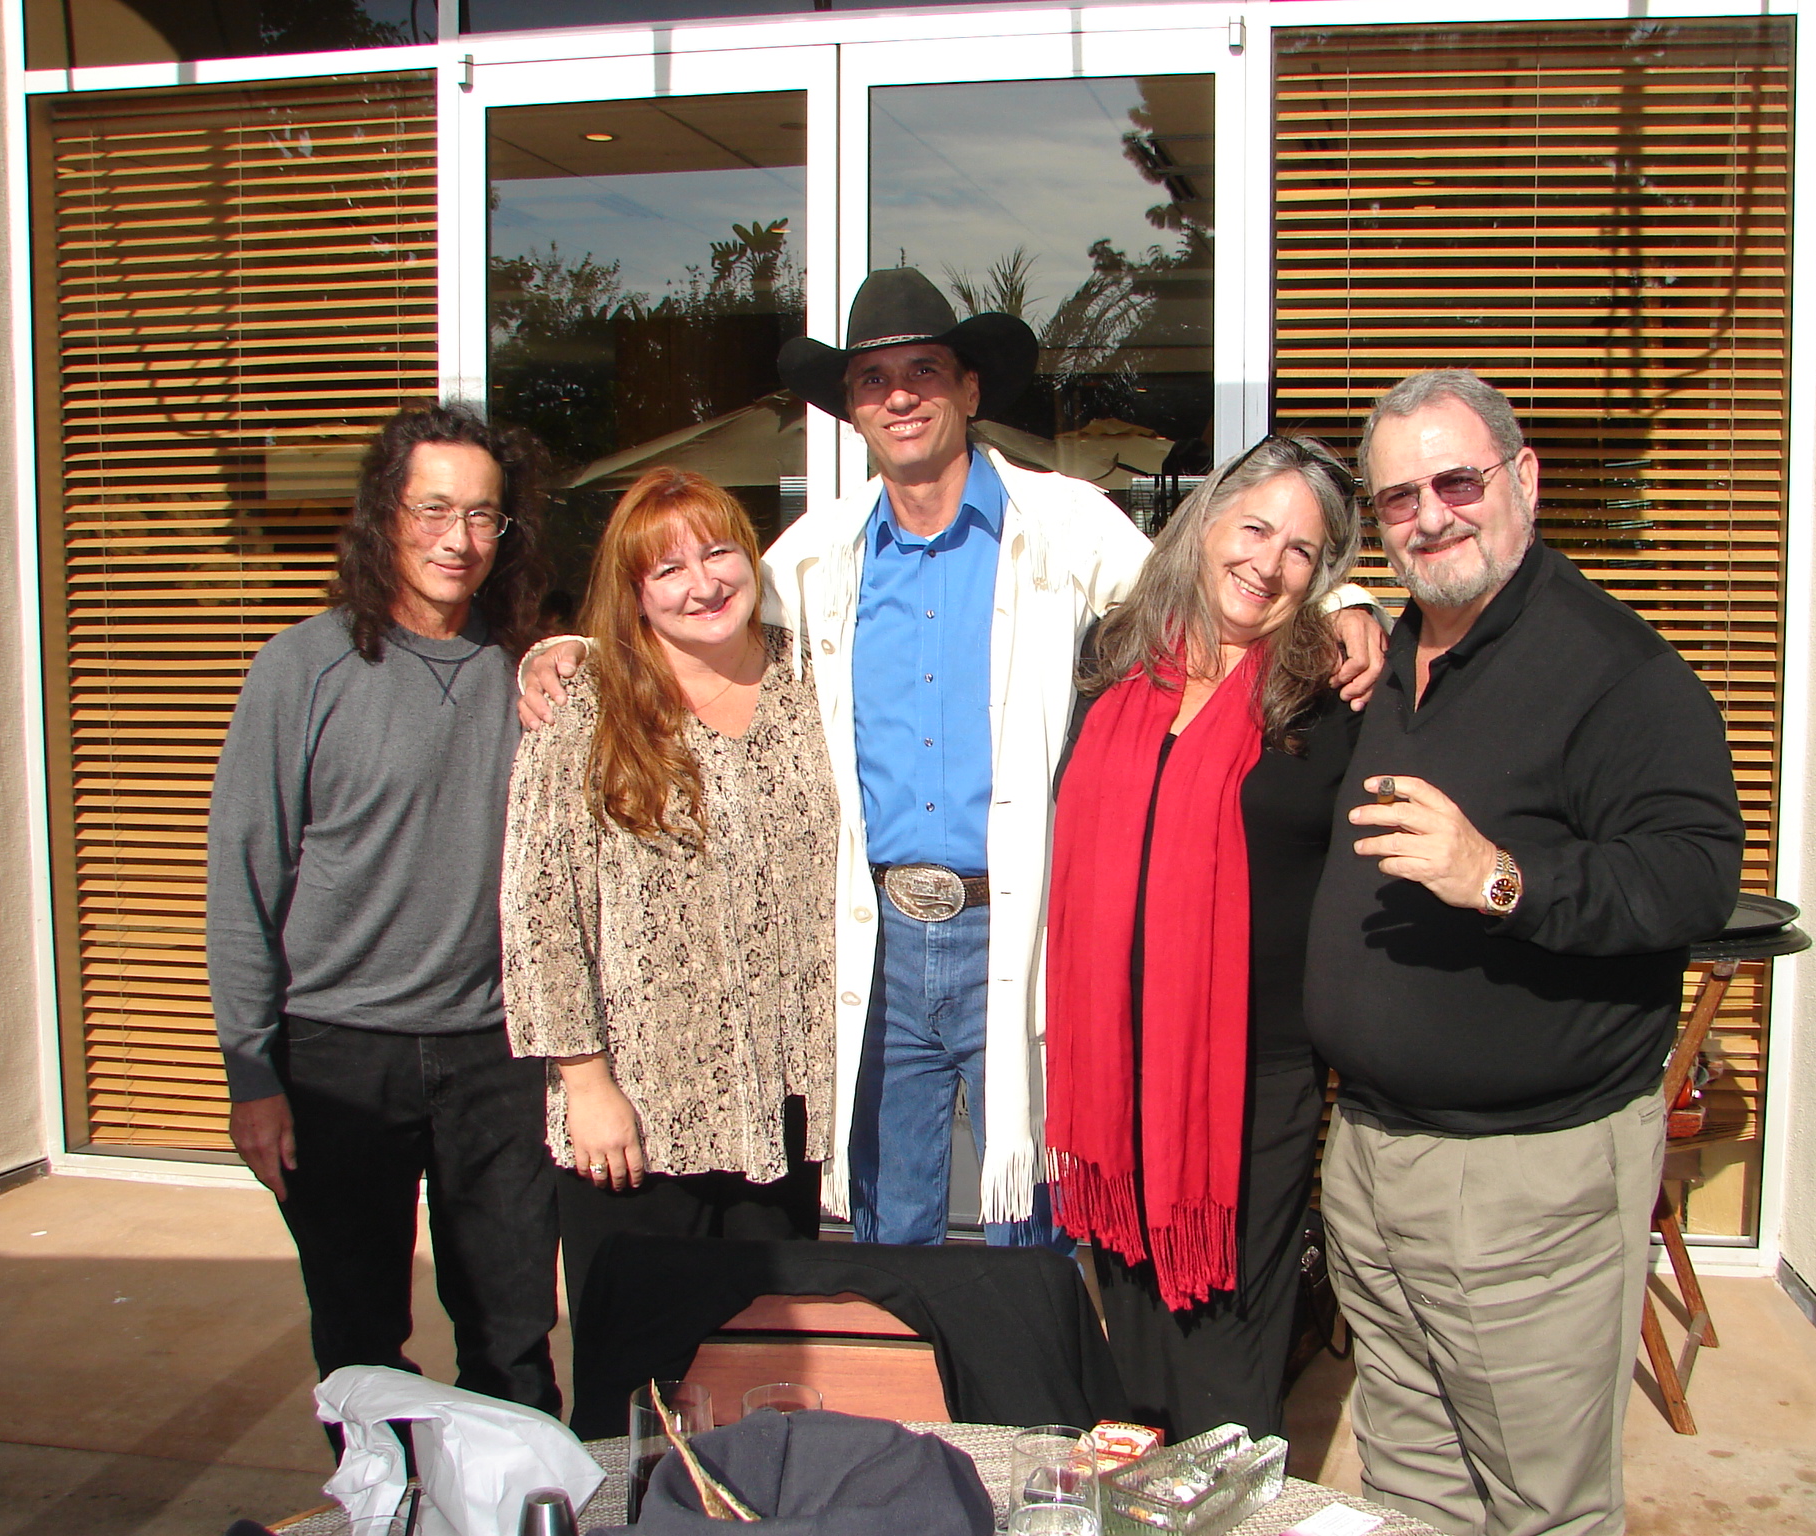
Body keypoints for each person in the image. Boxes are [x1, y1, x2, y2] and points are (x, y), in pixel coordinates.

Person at [521, 267, 1388, 1248]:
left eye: (923, 372)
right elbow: (695, 620)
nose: (898, 396)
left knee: (1029, 1221)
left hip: (1014, 931)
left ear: (969, 391)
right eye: (872, 379)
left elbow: (1207, 589)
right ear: (850, 409)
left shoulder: (1059, 523)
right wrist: (577, 653)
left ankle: (1025, 1401)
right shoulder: (819, 552)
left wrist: (1337, 602)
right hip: (878, 941)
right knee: (892, 1228)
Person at [1307, 369, 1744, 1536]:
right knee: (1412, 1489)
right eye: (1397, 498)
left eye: (1457, 480)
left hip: (1523, 1181)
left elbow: (1693, 875)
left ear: (1523, 480)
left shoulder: (1612, 671)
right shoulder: (1395, 649)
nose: (1430, 514)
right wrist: (1339, 606)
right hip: (1372, 1156)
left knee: (1538, 1506)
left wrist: (1495, 876)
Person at [208, 402, 560, 1422]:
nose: (459, 540)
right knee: (360, 1339)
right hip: (336, 1058)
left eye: (484, 516)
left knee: (512, 1331)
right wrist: (253, 1072)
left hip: (497, 1053)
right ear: (382, 516)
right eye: (434, 510)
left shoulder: (531, 668)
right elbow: (243, 877)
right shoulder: (301, 669)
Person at [1044, 435, 1365, 1442]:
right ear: (1206, 522)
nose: (1268, 562)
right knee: (1132, 1335)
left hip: (1247, 1070)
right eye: (1256, 527)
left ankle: (1225, 1499)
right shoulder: (1110, 656)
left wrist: (1372, 620)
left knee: (1227, 1337)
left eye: (1303, 553)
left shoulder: (1329, 690)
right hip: (1109, 1059)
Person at [501, 469, 838, 1315]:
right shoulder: (586, 704)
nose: (704, 584)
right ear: (634, 593)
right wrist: (585, 1085)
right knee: (636, 1375)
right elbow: (540, 912)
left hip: (787, 1102)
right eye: (668, 570)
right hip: (642, 1110)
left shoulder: (818, 682)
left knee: (770, 1361)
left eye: (719, 552)